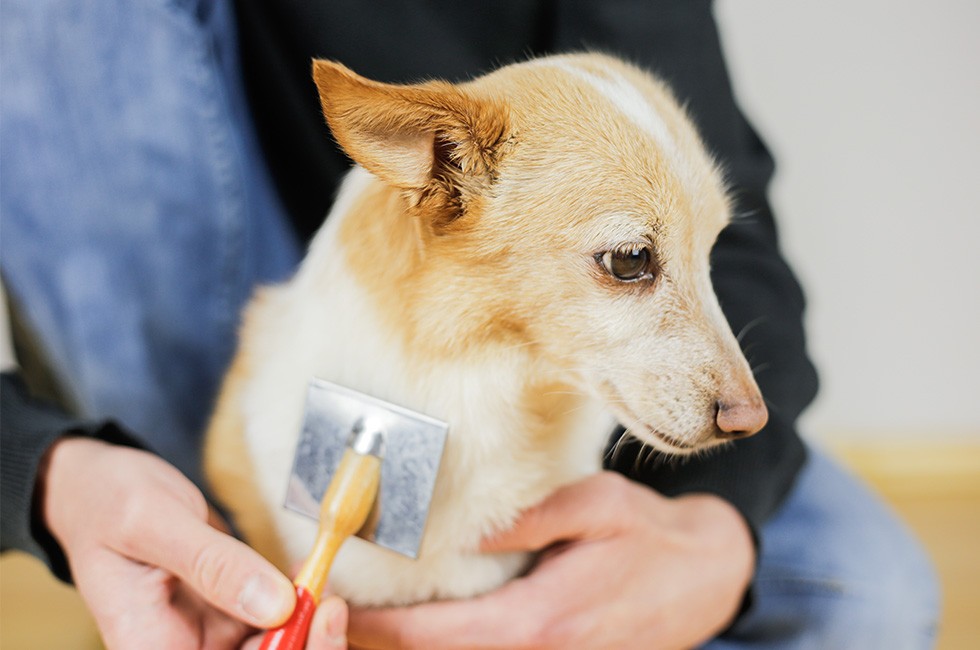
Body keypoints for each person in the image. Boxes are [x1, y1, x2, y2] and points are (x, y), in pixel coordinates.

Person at [0, 1, 939, 648]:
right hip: (245, 337)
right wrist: (44, 469)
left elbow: (732, 250)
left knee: (872, 601)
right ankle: (189, 556)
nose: (745, 400)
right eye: (630, 261)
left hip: (526, 372)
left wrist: (718, 523)